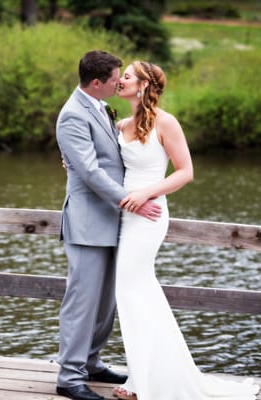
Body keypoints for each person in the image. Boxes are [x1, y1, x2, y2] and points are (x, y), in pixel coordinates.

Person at [111, 60, 260, 400]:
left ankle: (144, 383)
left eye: (129, 76)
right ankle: (142, 378)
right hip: (124, 215)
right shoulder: (121, 124)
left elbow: (185, 172)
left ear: (145, 85)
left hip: (148, 215)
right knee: (136, 294)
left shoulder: (166, 123)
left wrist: (148, 192)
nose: (121, 80)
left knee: (132, 290)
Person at [55, 50, 161, 400]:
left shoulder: (101, 107)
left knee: (105, 303)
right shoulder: (72, 114)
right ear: (97, 82)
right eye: (116, 77)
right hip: (88, 222)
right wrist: (131, 200)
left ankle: (91, 361)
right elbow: (90, 171)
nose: (120, 81)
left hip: (113, 222)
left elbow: (107, 157)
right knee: (82, 301)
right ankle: (70, 377)